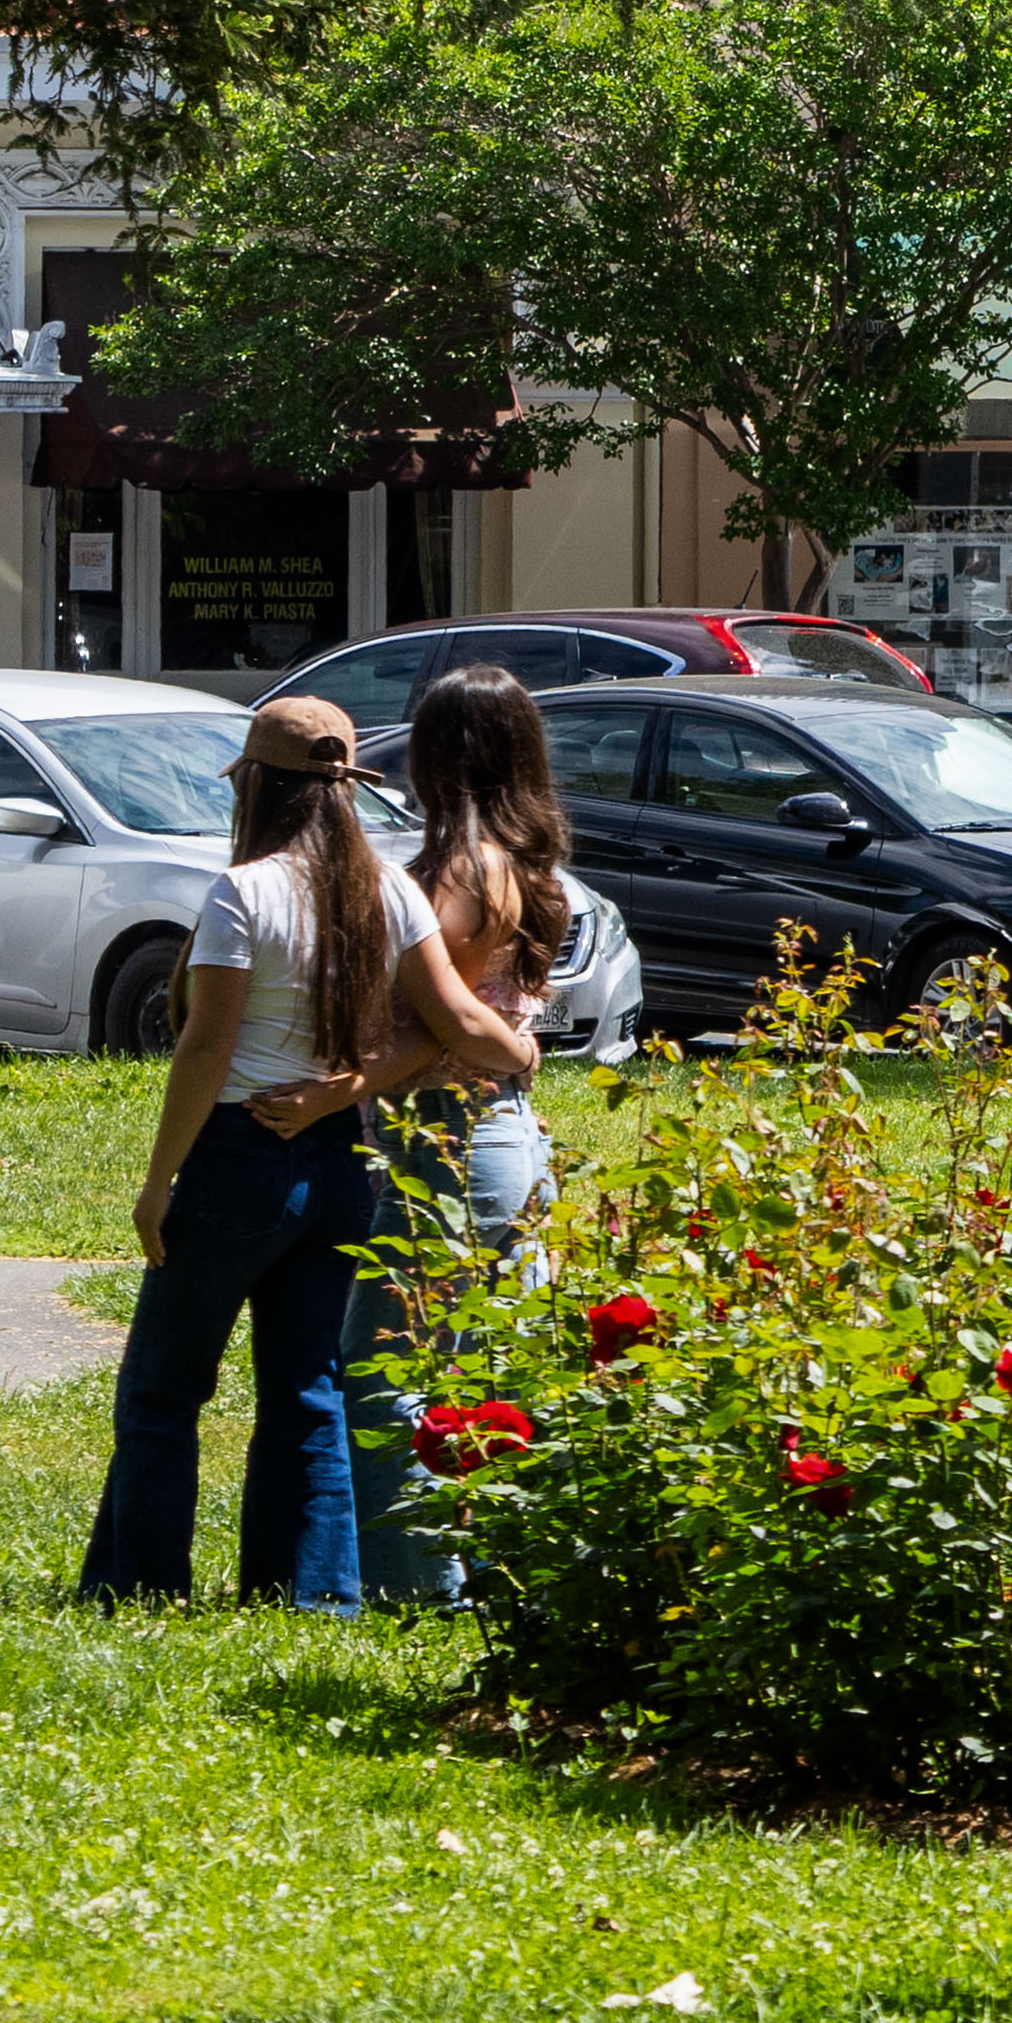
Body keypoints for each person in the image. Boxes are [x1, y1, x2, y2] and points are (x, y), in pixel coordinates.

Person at [76, 694, 533, 1609]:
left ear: (257, 785)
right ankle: (313, 1593)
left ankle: (141, 1588)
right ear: (344, 789)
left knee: (164, 1387)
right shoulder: (390, 888)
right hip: (340, 1163)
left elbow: (207, 1045)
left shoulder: (243, 892)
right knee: (308, 1387)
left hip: (238, 1156)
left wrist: (160, 1180)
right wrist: (517, 1051)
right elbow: (452, 1019)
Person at [334, 666, 583, 1604]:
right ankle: (502, 1577)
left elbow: (445, 1023)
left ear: (447, 756)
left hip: (449, 1133)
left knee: (383, 1368)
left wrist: (335, 1090)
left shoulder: (461, 870)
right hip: (503, 1133)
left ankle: (422, 1588)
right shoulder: (525, 862)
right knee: (486, 1364)